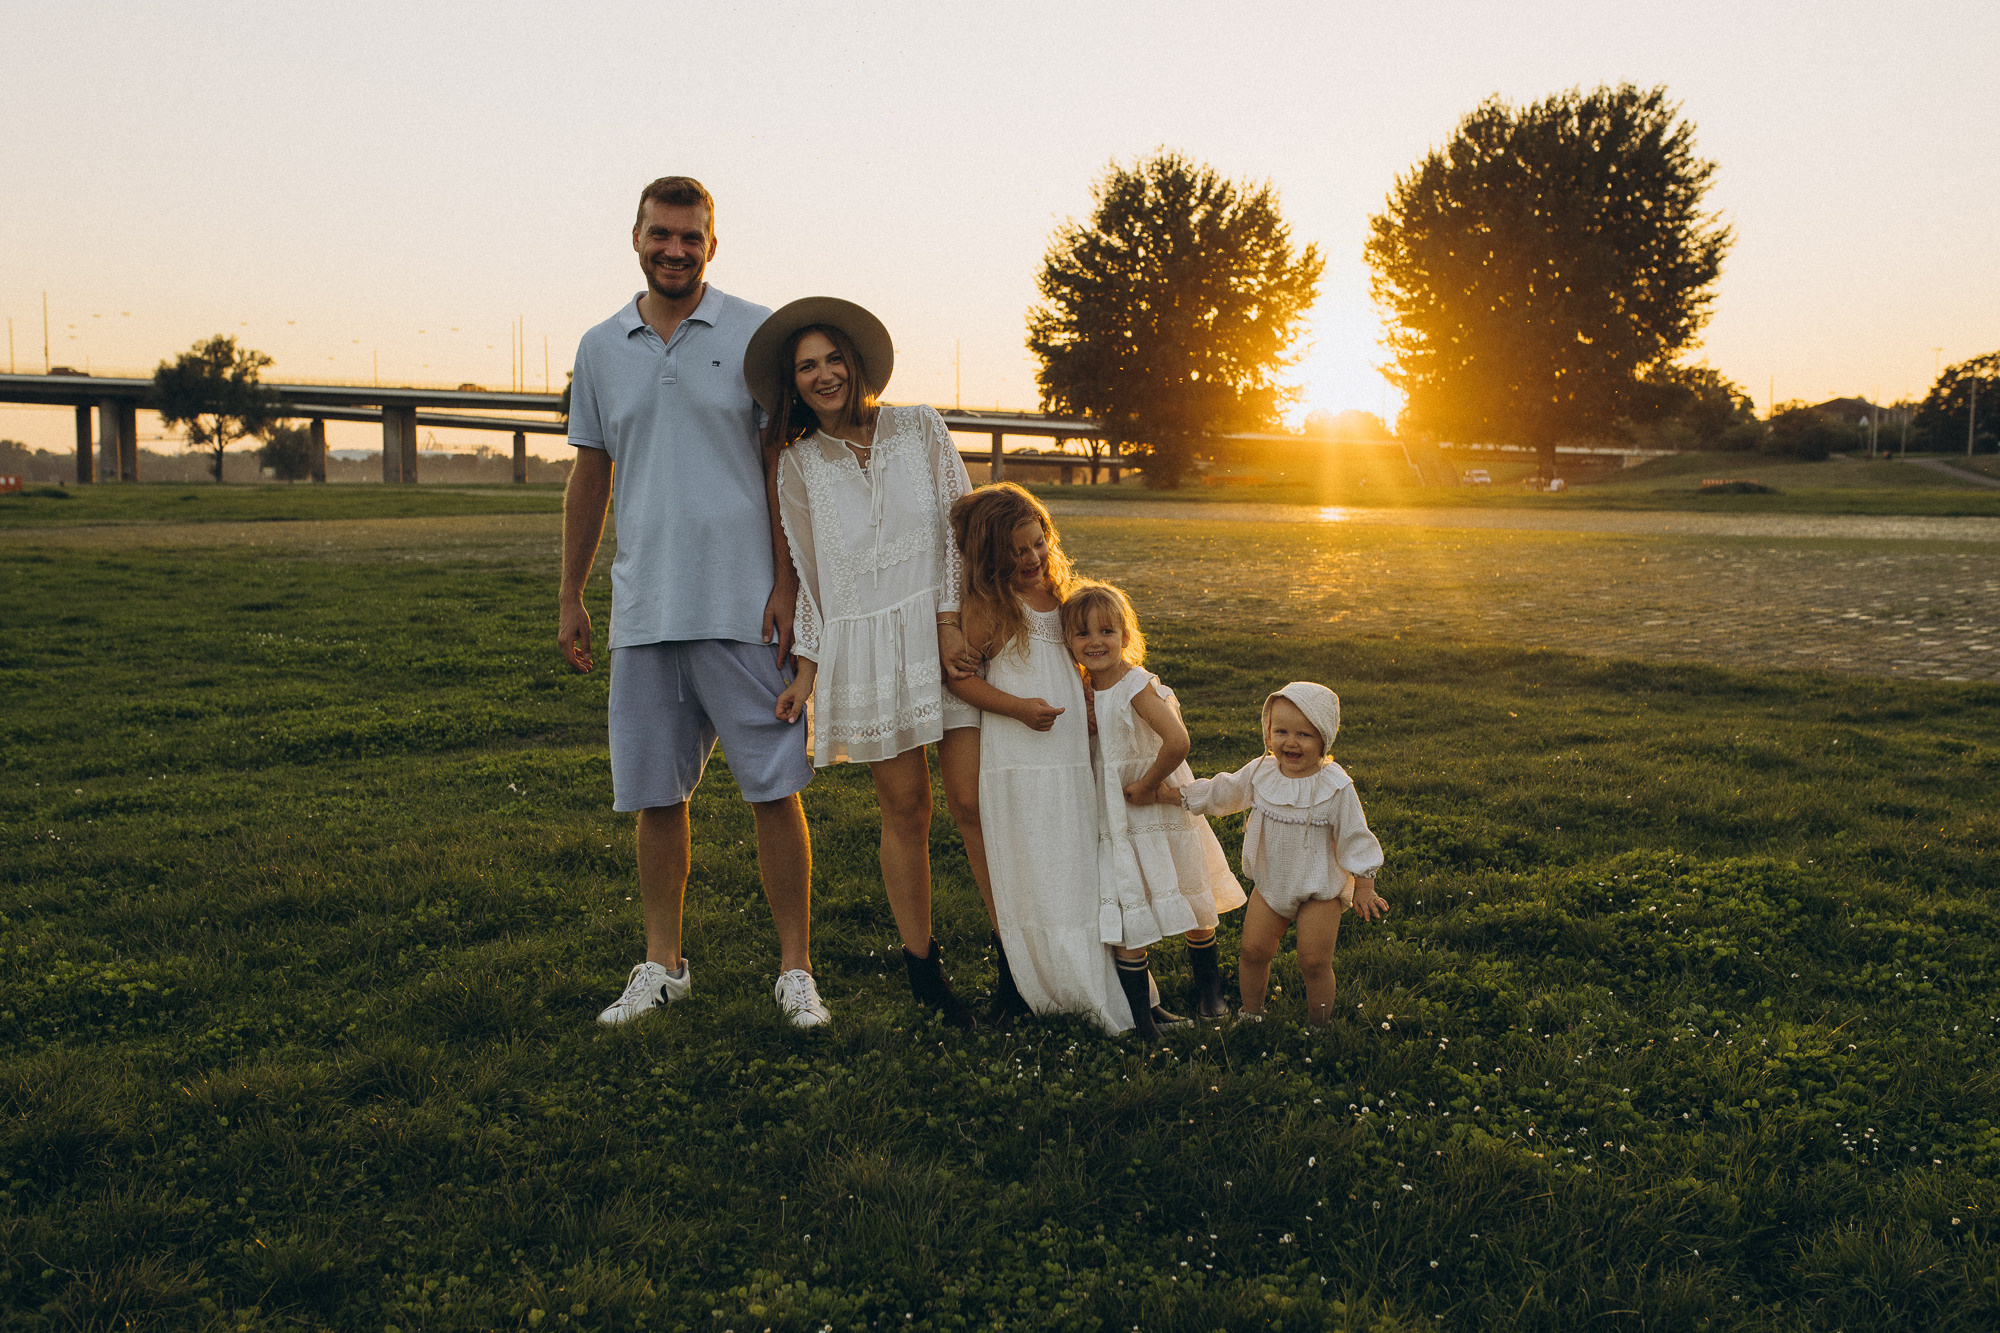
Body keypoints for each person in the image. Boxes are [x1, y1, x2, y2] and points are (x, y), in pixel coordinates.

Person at [561, 176, 825, 1029]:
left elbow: (779, 459)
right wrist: (571, 593)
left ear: (714, 242)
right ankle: (663, 963)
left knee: (773, 791)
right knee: (654, 797)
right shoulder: (600, 347)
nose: (674, 249)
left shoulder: (755, 331)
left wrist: (786, 583)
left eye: (691, 236)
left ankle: (796, 971)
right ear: (634, 236)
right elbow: (590, 471)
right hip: (646, 610)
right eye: (660, 234)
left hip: (746, 606)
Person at [744, 296, 980, 1028]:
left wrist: (951, 621)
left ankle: (1018, 963)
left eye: (832, 358)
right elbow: (817, 580)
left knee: (975, 803)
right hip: (868, 649)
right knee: (906, 807)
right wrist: (809, 669)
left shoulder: (919, 426)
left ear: (856, 360)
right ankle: (926, 974)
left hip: (945, 631)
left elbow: (961, 526)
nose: (823, 375)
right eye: (806, 366)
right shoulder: (798, 465)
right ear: (793, 383)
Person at [945, 484, 1128, 1033]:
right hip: (1019, 759)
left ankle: (1090, 972)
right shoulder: (989, 609)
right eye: (1015, 551)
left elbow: (1085, 666)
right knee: (1029, 864)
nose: (1030, 559)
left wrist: (1093, 701)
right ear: (990, 555)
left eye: (1036, 544)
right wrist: (1018, 708)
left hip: (1069, 760)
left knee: (1073, 862)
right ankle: (1024, 979)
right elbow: (963, 684)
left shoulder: (1066, 602)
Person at [1062, 580, 1245, 1037]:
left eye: (1107, 630)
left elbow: (1178, 740)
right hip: (1117, 817)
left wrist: (1147, 784)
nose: (1095, 642)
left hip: (1157, 808)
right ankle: (1142, 1022)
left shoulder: (1135, 685)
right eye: (1082, 634)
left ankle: (1210, 994)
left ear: (1125, 634)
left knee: (1190, 893)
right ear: (1068, 642)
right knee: (1127, 909)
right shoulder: (1085, 689)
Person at [1153, 682, 1387, 1024]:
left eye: (1304, 735)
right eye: (1281, 731)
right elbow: (1223, 791)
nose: (1290, 742)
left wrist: (1365, 885)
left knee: (1313, 960)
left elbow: (1356, 836)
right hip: (1271, 883)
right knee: (1252, 952)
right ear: (1268, 732)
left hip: (1320, 889)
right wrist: (1173, 795)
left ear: (1325, 737)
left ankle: (1318, 1026)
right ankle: (1252, 1013)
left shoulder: (1336, 786)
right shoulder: (1261, 771)